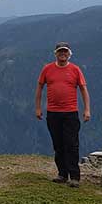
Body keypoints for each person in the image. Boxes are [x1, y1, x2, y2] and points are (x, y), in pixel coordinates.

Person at [35, 41, 91, 187]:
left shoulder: (75, 70)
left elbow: (83, 90)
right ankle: (62, 174)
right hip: (52, 113)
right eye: (60, 51)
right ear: (56, 54)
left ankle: (74, 177)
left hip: (70, 113)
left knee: (71, 145)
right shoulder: (47, 69)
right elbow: (40, 87)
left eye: (65, 52)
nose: (63, 54)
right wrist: (38, 108)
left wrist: (86, 110)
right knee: (58, 145)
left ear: (69, 54)